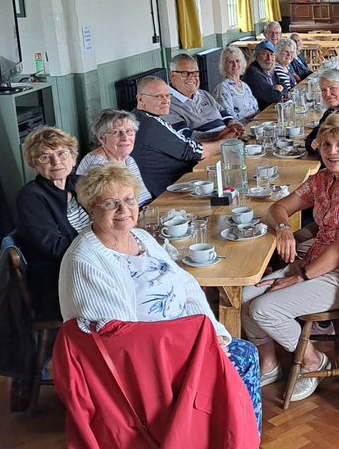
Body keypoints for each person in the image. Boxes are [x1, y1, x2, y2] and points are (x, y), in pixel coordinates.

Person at [58, 164, 263, 429]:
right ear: (91, 209)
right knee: (240, 361)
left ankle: (235, 438)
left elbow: (187, 285)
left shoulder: (141, 237)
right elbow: (118, 338)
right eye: (111, 203)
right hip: (146, 361)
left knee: (241, 353)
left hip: (180, 341)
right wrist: (193, 344)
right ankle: (220, 437)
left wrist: (215, 333)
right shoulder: (86, 259)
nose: (123, 209)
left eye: (129, 199)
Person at [244, 113, 339, 402]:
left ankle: (313, 360)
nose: (332, 152)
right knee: (244, 297)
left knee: (262, 309)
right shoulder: (322, 180)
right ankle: (269, 363)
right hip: (313, 262)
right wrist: (285, 229)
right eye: (325, 145)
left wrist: (299, 277)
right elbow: (278, 207)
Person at [16, 126, 90, 322]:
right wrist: (102, 240)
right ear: (34, 166)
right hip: (61, 278)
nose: (56, 161)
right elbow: (55, 247)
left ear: (73, 158)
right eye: (45, 157)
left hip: (90, 262)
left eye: (62, 153)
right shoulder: (31, 197)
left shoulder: (81, 184)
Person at [131, 76, 223, 195]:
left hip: (180, 183)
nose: (166, 100)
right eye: (158, 96)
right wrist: (225, 143)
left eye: (168, 95)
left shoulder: (140, 118)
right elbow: (192, 151)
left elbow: (186, 142)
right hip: (172, 191)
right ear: (141, 99)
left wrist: (219, 136)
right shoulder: (150, 124)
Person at [76, 109, 153, 206]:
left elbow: (142, 199)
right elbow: (109, 209)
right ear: (101, 138)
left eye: (129, 131)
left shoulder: (128, 159)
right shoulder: (98, 166)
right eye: (116, 132)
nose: (125, 137)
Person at [165, 53, 243, 142]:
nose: (192, 77)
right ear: (172, 75)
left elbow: (225, 115)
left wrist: (232, 125)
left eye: (195, 73)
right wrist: (220, 135)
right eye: (185, 73)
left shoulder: (204, 94)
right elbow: (184, 136)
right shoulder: (166, 103)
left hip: (227, 141)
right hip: (208, 151)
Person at [212, 46, 261, 122]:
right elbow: (229, 119)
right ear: (224, 66)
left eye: (237, 61)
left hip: (254, 125)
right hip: (239, 130)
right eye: (230, 62)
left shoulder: (245, 86)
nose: (235, 65)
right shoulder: (223, 88)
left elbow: (256, 109)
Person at [243, 41, 281, 109]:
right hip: (260, 113)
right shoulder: (253, 72)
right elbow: (273, 97)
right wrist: (277, 91)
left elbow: (285, 86)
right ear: (256, 56)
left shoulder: (269, 69)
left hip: (270, 109)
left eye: (272, 54)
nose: (269, 58)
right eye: (264, 54)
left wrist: (279, 90)